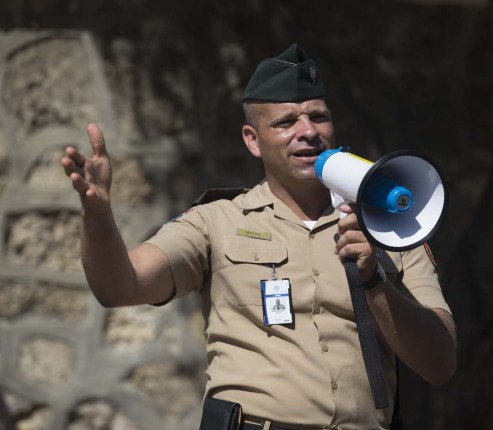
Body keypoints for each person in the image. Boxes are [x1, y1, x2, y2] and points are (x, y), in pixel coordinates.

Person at [60, 44, 456, 430]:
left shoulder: (391, 227)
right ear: (252, 139)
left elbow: (440, 364)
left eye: (318, 117)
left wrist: (374, 281)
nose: (308, 132)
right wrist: (98, 217)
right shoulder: (215, 221)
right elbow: (119, 286)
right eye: (286, 122)